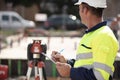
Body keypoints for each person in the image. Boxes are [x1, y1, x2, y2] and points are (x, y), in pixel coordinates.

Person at [51, 0, 119, 80]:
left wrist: (70, 72)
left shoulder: (103, 36)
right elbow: (85, 64)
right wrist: (66, 62)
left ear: (85, 10)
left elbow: (100, 77)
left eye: (79, 9)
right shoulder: (92, 34)